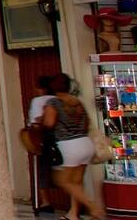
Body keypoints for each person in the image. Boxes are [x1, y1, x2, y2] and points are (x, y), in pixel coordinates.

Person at [40, 74, 106, 220]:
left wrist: (43, 119)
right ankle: (73, 214)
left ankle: (93, 207)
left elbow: (49, 123)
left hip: (69, 145)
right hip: (85, 143)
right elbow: (87, 122)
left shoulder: (54, 102)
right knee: (77, 182)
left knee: (62, 180)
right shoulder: (77, 102)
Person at [26, 75, 62, 212]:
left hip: (44, 139)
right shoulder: (59, 99)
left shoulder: (38, 101)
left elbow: (36, 121)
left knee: (42, 170)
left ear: (40, 88)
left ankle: (46, 202)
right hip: (62, 139)